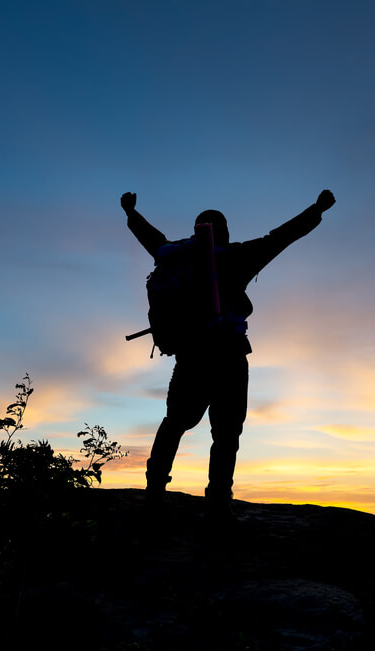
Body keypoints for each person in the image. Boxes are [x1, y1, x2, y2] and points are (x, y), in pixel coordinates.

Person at [122, 189, 335, 514]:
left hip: (191, 357)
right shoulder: (238, 257)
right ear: (225, 231)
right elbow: (281, 237)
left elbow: (152, 238)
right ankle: (218, 503)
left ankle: (153, 494)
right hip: (230, 357)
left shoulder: (174, 255)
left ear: (196, 232)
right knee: (225, 434)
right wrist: (317, 209)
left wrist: (131, 213)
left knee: (175, 422)